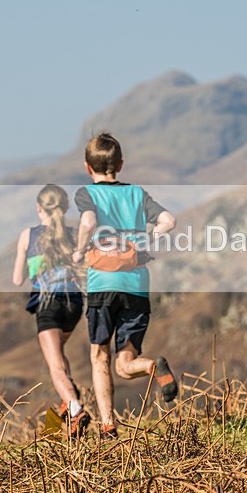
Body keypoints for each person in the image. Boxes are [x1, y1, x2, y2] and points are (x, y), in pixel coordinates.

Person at [72, 133, 179, 439]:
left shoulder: (87, 194)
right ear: (120, 164)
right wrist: (145, 241)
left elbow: (89, 223)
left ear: (87, 166)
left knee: (100, 357)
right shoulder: (136, 193)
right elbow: (169, 221)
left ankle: (108, 427)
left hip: (102, 285)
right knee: (125, 363)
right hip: (135, 284)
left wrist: (80, 250)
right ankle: (150, 368)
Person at [12, 184, 89, 436]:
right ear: (65, 207)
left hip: (47, 305)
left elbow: (17, 279)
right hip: (74, 304)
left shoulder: (28, 235)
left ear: (38, 208)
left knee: (54, 365)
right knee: (60, 354)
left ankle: (75, 408)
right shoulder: (73, 234)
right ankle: (70, 401)